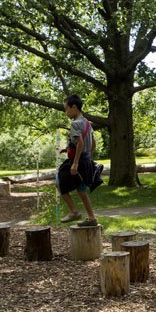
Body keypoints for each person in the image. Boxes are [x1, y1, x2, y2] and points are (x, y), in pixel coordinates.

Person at [57, 94, 98, 226]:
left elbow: (79, 143)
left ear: (74, 107)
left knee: (59, 182)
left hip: (77, 161)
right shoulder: (86, 122)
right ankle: (91, 218)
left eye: (66, 109)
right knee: (81, 189)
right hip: (85, 159)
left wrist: (75, 163)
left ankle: (74, 211)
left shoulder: (75, 123)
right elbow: (93, 143)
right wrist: (87, 156)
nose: (66, 112)